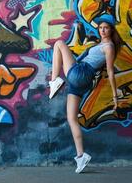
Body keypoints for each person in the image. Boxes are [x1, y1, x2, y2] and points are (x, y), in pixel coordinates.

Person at [48, 13, 122, 173]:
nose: (102, 30)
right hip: (81, 82)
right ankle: (81, 156)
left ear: (111, 30)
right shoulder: (100, 44)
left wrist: (115, 96)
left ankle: (54, 81)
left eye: (106, 28)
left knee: (59, 44)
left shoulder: (109, 47)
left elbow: (110, 71)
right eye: (101, 27)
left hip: (81, 73)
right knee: (72, 119)